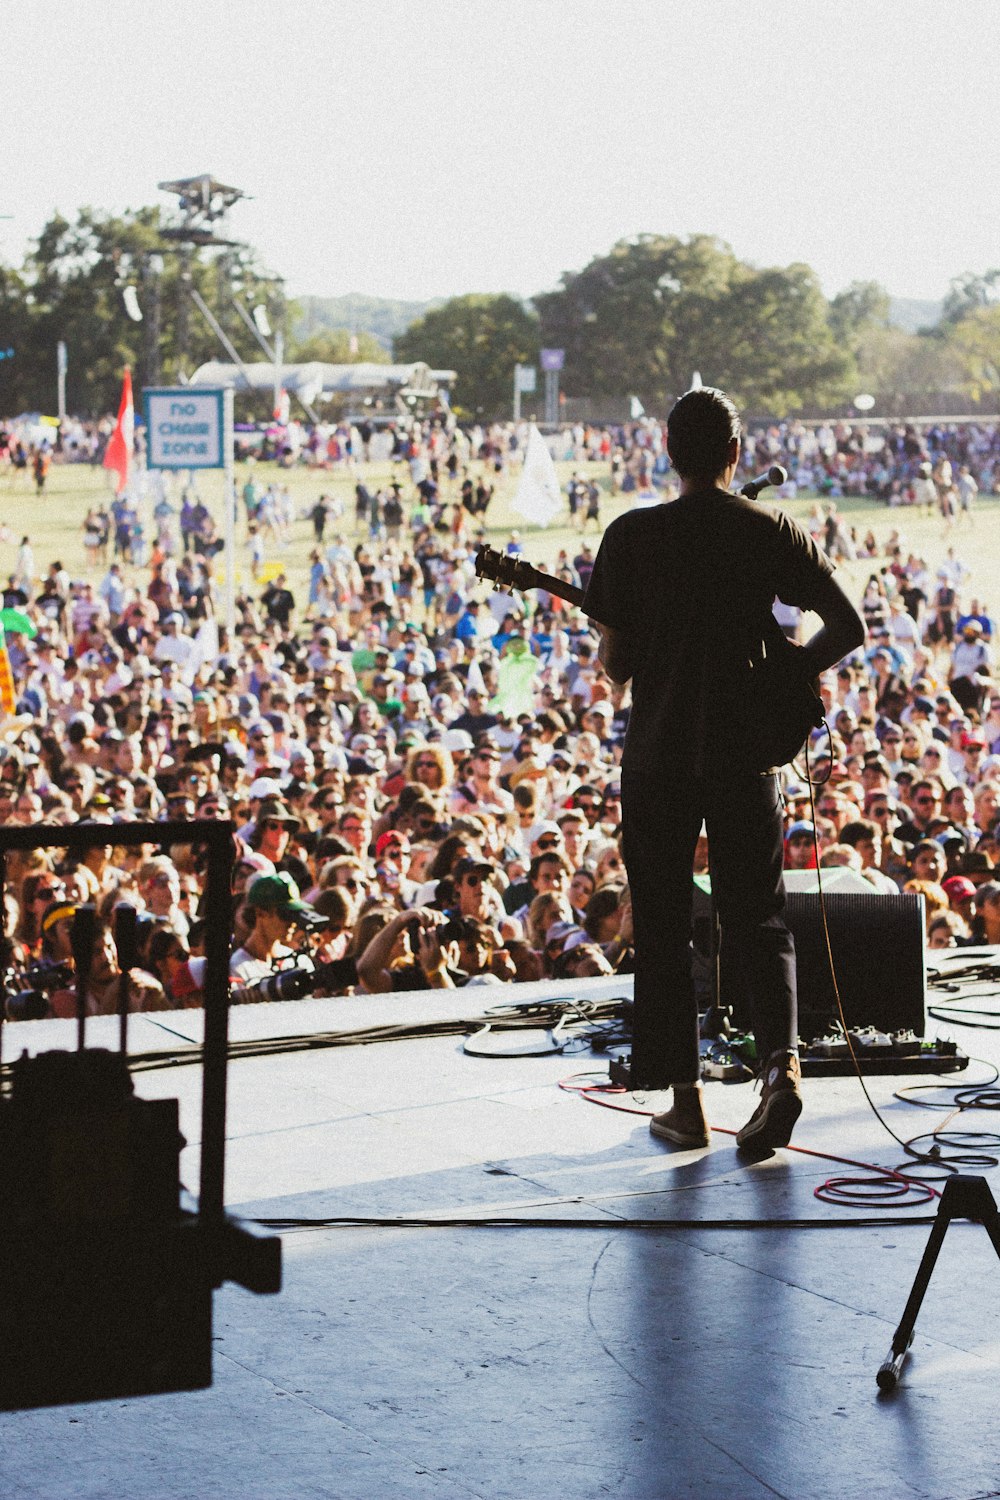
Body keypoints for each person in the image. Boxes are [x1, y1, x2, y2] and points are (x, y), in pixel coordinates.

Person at [583, 386, 864, 1153]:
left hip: (661, 754)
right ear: (736, 454)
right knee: (759, 916)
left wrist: (622, 637)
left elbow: (617, 666)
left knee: (667, 923)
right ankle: (782, 1071)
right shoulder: (769, 528)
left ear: (669, 452)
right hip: (747, 751)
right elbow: (850, 625)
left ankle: (685, 1101)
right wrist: (788, 672)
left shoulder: (631, 536)